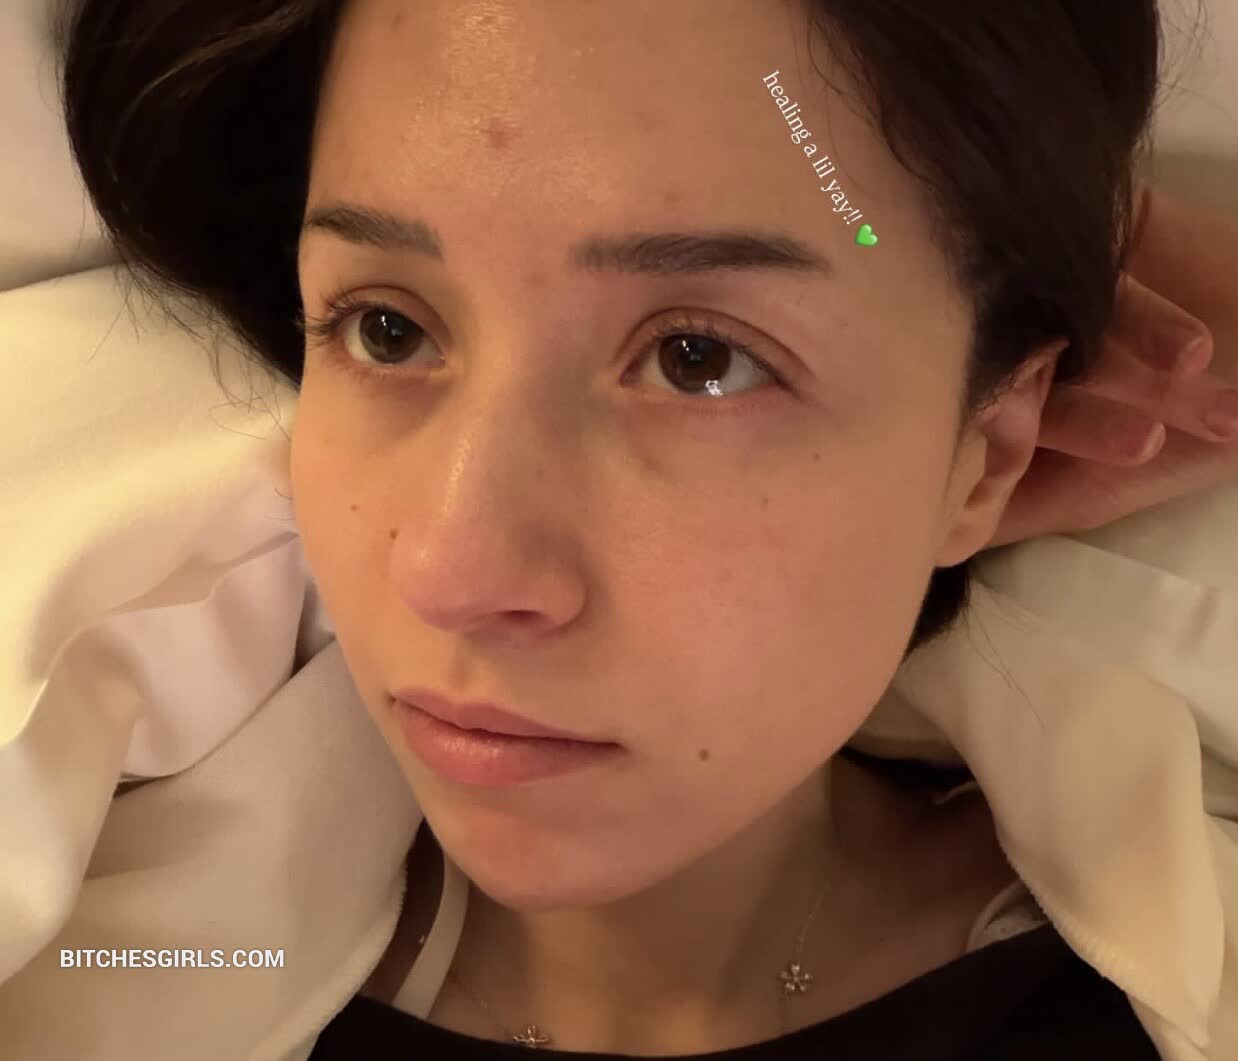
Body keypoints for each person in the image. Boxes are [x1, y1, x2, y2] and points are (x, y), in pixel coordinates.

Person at [48, 0, 1238, 1057]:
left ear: (989, 452)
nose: (454, 568)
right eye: (386, 328)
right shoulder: (106, 962)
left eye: (697, 358)